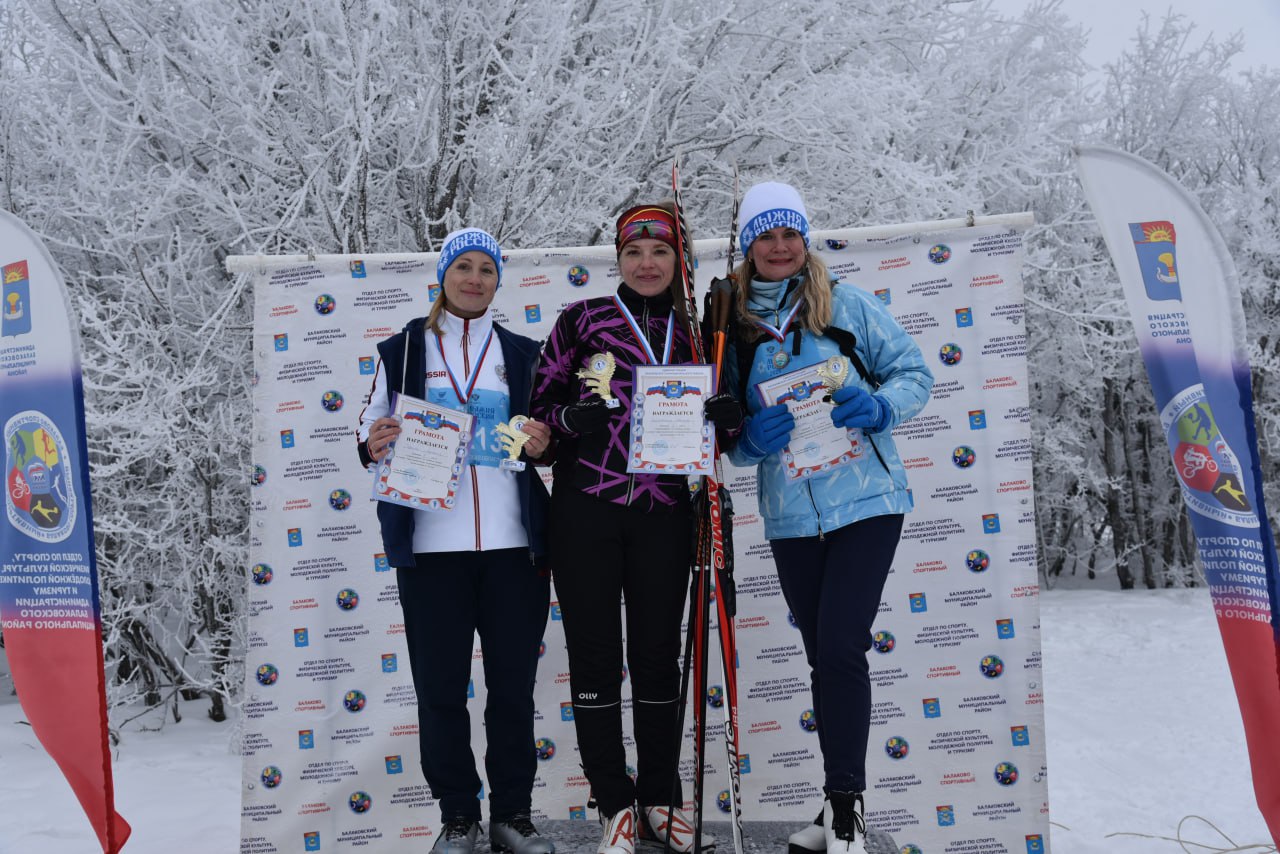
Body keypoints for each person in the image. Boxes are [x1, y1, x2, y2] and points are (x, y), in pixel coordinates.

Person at [722, 183, 933, 854]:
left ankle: (847, 811)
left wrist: (879, 407)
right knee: (825, 658)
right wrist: (755, 437)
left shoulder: (844, 305)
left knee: (841, 646)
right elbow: (727, 438)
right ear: (747, 245)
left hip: (867, 502)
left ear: (804, 239)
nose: (780, 247)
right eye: (766, 236)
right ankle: (834, 802)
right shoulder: (729, 324)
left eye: (790, 234)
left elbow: (913, 373)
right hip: (791, 516)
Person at [532, 203, 742, 854]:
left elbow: (726, 438)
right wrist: (569, 423)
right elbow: (531, 423)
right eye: (633, 252)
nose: (646, 264)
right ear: (617, 259)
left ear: (679, 259)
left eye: (659, 252)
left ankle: (660, 796)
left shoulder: (699, 330)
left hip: (662, 514)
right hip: (586, 509)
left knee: (656, 657)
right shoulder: (582, 319)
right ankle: (613, 803)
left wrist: (726, 415)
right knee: (594, 657)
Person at [357, 228, 556, 854]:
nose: (474, 279)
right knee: (440, 690)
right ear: (443, 275)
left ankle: (513, 815)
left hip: (512, 547)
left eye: (486, 270)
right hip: (432, 550)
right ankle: (459, 816)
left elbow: (547, 437)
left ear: (499, 281)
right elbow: (367, 435)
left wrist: (546, 443)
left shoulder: (523, 353)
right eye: (463, 267)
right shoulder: (403, 349)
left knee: (513, 688)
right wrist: (375, 442)